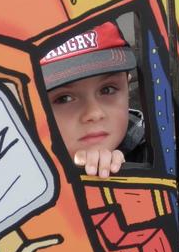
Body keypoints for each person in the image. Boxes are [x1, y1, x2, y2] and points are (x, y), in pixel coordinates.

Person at [39, 21, 145, 178]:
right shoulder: (15, 173)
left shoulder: (167, 152)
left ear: (127, 86)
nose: (94, 113)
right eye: (64, 98)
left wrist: (130, 172)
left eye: (107, 90)